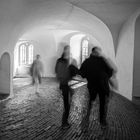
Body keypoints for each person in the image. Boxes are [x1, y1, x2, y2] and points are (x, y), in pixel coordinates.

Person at [80, 46, 117, 128]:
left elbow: (82, 74)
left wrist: (90, 76)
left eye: (99, 51)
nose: (98, 53)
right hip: (102, 86)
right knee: (101, 104)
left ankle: (87, 119)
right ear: (93, 52)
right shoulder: (102, 61)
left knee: (91, 102)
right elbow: (110, 72)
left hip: (93, 86)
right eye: (97, 51)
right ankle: (101, 121)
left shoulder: (87, 62)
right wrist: (105, 77)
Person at [55, 45, 78, 129]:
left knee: (68, 103)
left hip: (65, 84)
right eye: (68, 50)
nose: (69, 51)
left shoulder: (60, 60)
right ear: (65, 51)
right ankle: (64, 123)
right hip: (65, 85)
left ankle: (65, 121)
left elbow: (57, 71)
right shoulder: (67, 61)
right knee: (67, 105)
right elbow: (73, 72)